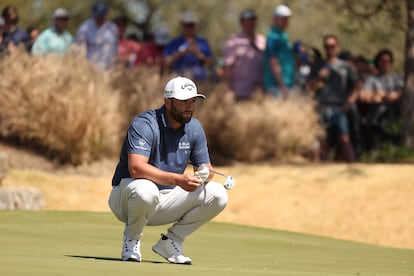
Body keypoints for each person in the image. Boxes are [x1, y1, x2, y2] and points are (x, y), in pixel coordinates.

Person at [108, 76, 228, 264]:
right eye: (183, 102)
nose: (189, 106)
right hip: (127, 199)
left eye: (192, 101)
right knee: (145, 189)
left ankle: (171, 241)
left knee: (218, 194)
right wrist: (179, 180)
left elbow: (207, 169)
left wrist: (205, 174)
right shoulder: (145, 124)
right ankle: (131, 241)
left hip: (166, 200)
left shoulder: (194, 128)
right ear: (167, 101)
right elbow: (136, 168)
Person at [308, 34, 358, 162]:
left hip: (338, 108)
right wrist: (319, 77)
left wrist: (349, 102)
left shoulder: (345, 67)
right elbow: (308, 87)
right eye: (327, 46)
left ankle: (354, 169)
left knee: (344, 139)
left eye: (332, 46)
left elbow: (357, 85)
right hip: (321, 107)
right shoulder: (318, 66)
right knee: (322, 142)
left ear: (337, 47)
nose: (330, 49)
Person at [222, 9, 266, 101]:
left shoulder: (262, 40)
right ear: (241, 22)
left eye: (253, 20)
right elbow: (227, 67)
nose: (250, 23)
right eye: (247, 20)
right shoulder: (234, 41)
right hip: (240, 92)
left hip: (259, 92)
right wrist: (228, 90)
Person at [163, 11, 214, 81]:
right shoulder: (174, 42)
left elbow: (211, 62)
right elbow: (166, 61)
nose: (189, 28)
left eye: (191, 25)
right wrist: (181, 53)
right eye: (187, 25)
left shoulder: (202, 42)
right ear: (182, 25)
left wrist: (198, 54)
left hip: (199, 80)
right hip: (178, 79)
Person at [263, 4, 295, 99]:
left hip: (286, 83)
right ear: (275, 19)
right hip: (277, 86)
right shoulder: (273, 37)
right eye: (282, 18)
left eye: (286, 18)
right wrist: (282, 85)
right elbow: (273, 62)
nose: (285, 21)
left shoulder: (283, 36)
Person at [75, 1, 118, 70]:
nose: (100, 19)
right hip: (91, 71)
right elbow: (79, 52)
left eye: (102, 17)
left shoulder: (113, 28)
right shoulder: (84, 29)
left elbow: (115, 50)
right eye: (98, 17)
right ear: (93, 15)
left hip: (109, 72)